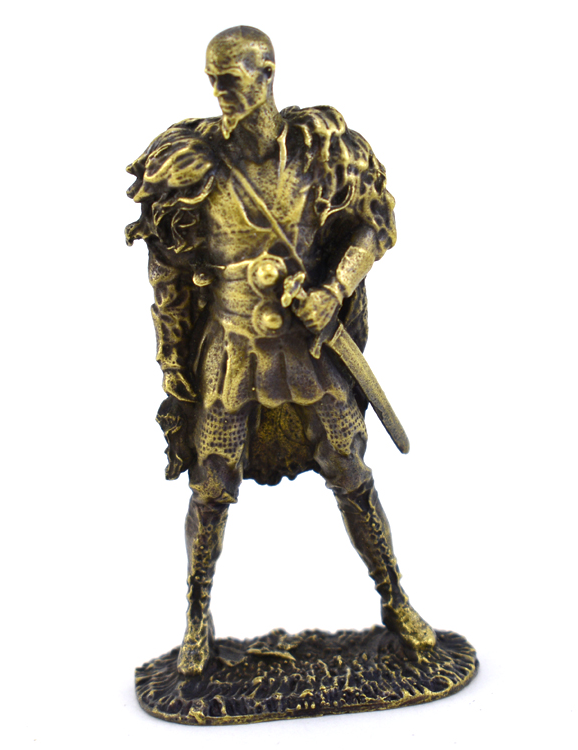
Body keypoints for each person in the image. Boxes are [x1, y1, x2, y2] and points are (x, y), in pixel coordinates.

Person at [126, 26, 436, 676]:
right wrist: (173, 362)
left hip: (308, 349)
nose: (220, 91)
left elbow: (375, 221)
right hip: (232, 350)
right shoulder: (193, 166)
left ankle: (396, 601)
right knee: (211, 487)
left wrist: (335, 289)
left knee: (350, 473)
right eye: (213, 81)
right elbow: (167, 272)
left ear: (267, 73)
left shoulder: (322, 151)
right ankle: (196, 620)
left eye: (232, 79)